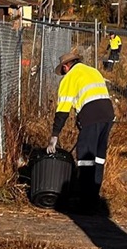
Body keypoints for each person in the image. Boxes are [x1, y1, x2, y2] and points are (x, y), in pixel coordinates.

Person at [48, 49, 115, 212]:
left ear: (65, 67)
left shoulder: (70, 77)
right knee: (98, 158)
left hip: (91, 116)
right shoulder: (92, 71)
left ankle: (85, 203)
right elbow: (94, 96)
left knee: (85, 158)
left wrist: (54, 135)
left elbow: (63, 109)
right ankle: (94, 197)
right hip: (108, 114)